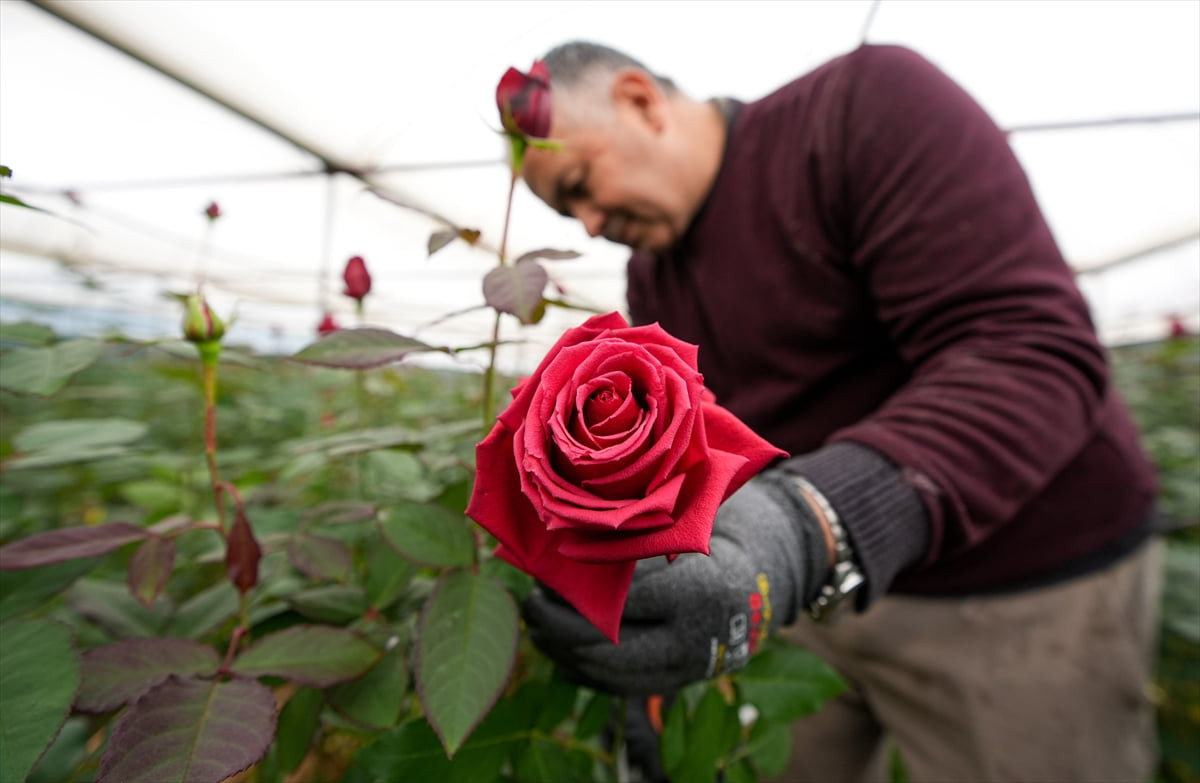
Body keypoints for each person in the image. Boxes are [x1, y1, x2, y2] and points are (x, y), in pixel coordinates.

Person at [515, 41, 1163, 783]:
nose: (589, 225)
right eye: (566, 212)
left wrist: (806, 529)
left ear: (639, 99)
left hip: (1020, 589)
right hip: (810, 601)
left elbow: (1029, 354)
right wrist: (654, 643)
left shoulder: (858, 113)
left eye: (579, 184)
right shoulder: (653, 274)